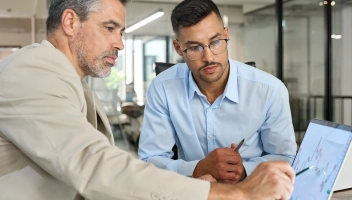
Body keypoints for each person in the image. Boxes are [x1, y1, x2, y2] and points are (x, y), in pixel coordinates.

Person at [0, 0, 295, 199]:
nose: (120, 43)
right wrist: (233, 194)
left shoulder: (69, 81)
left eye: (121, 31)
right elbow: (94, 165)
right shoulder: (32, 71)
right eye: (110, 28)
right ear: (70, 22)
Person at [138, 0, 297, 184]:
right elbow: (149, 161)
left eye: (215, 42)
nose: (209, 57)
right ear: (178, 48)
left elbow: (286, 158)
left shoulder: (270, 90)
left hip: (249, 192)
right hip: (193, 193)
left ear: (226, 34)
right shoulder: (163, 88)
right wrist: (198, 168)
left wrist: (244, 170)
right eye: (194, 47)